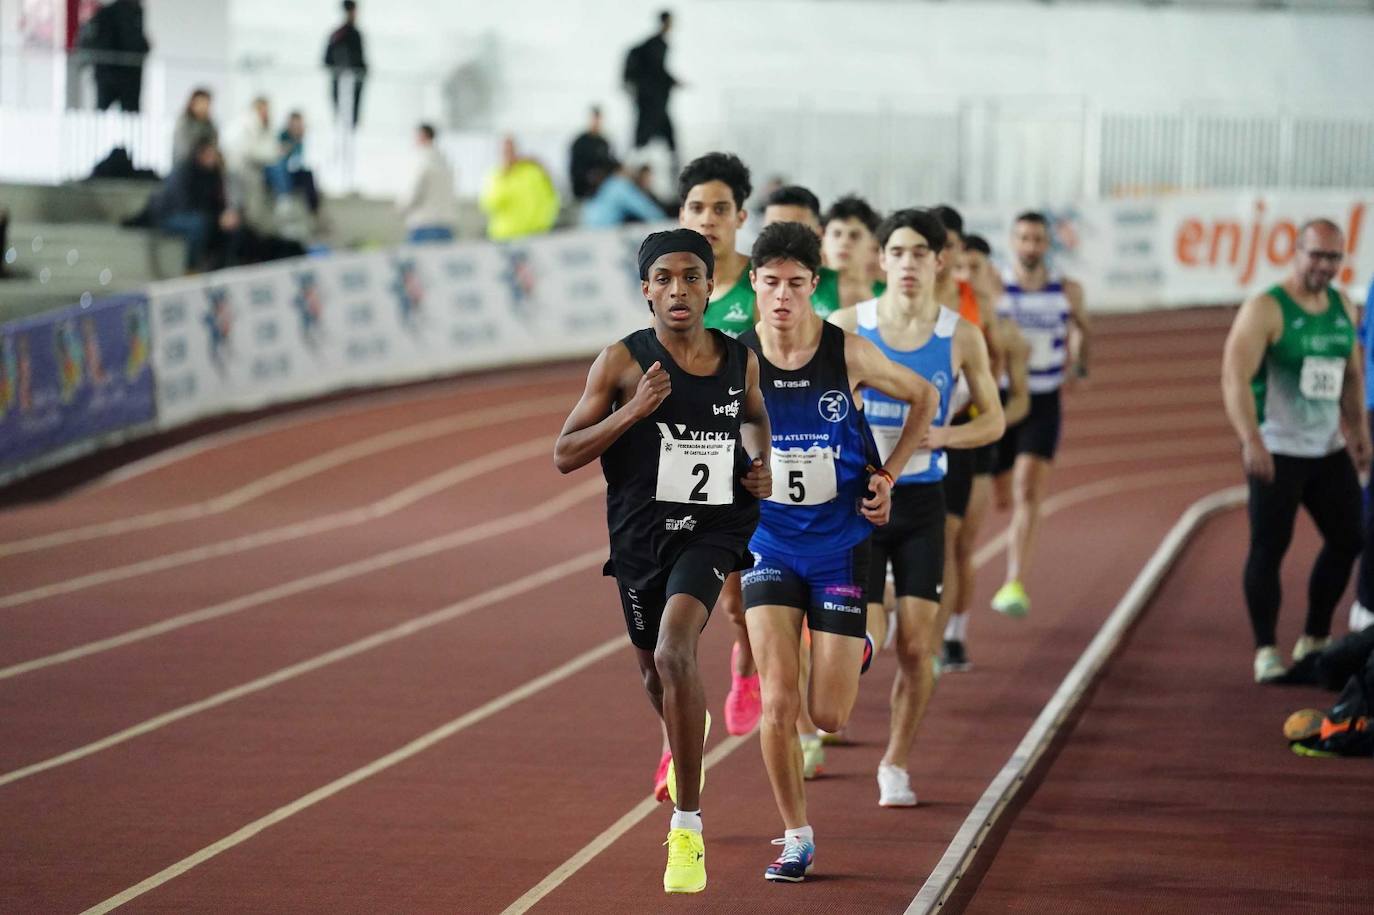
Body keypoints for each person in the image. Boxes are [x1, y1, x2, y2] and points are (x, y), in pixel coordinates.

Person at [554, 227, 772, 894]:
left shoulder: (740, 359)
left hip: (714, 528)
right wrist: (635, 412)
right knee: (655, 670)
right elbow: (565, 452)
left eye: (692, 277)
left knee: (679, 654)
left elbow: (756, 417)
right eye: (665, 279)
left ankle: (687, 826)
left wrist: (760, 464)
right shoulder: (622, 361)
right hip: (641, 535)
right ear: (646, 289)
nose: (679, 289)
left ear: (711, 285)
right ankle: (686, 716)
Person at [738, 222, 937, 881]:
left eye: (798, 283)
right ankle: (796, 834)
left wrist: (888, 476)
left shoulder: (845, 352)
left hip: (842, 547)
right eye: (772, 284)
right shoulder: (734, 360)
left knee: (828, 712)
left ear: (813, 287)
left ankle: (855, 648)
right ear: (755, 286)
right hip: (768, 544)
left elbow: (925, 396)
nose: (785, 296)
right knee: (777, 699)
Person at [830, 208, 1004, 807]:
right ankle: (857, 645)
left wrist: (945, 436)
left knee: (918, 646)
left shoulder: (960, 336)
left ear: (939, 262)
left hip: (922, 499)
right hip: (858, 499)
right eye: (896, 252)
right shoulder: (848, 325)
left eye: (919, 254)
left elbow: (995, 419)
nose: (907, 264)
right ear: (882, 261)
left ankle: (895, 763)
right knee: (869, 629)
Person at [1221, 219, 1369, 683]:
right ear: (1296, 252)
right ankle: (1266, 649)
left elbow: (1350, 373)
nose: (1324, 266)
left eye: (1333, 258)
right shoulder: (1266, 308)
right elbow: (1234, 377)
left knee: (1349, 538)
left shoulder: (1343, 305)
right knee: (1269, 547)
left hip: (1326, 450)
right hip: (1278, 449)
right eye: (1317, 255)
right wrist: (1251, 439)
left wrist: (1358, 429)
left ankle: (1315, 638)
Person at [676, 151, 762, 745]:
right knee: (673, 619)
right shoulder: (672, 280)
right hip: (683, 465)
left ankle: (747, 664)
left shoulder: (763, 286)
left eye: (721, 208)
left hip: (749, 466)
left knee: (735, 606)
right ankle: (674, 743)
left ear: (741, 215)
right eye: (697, 207)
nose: (709, 218)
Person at [989, 211, 1090, 619]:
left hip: (1043, 398)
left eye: (1037, 239)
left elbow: (1082, 327)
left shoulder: (1068, 291)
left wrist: (1079, 364)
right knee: (999, 497)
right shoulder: (994, 288)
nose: (1030, 246)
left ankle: (1015, 582)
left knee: (1028, 490)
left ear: (1048, 244)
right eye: (1024, 239)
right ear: (1012, 242)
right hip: (997, 400)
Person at [942, 233, 1030, 670]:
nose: (966, 276)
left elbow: (1016, 397)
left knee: (960, 544)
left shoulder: (995, 325)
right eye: (961, 268)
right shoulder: (932, 315)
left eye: (975, 268)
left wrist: (987, 417)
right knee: (935, 542)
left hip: (972, 441)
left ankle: (954, 635)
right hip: (933, 433)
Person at [154, 140, 240, 272]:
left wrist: (225, 215)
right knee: (198, 224)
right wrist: (217, 217)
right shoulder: (185, 172)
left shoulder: (214, 175)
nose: (213, 159)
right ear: (200, 155)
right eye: (210, 155)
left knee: (232, 227)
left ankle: (220, 268)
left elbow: (218, 202)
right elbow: (185, 204)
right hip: (171, 215)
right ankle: (191, 268)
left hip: (202, 215)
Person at [624, 10, 680, 172]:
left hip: (652, 102)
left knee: (661, 140)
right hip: (652, 102)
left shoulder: (654, 44)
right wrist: (672, 81)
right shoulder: (656, 45)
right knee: (646, 140)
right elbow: (657, 71)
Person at [815, 195, 886, 318]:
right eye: (837, 234)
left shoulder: (887, 294)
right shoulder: (808, 284)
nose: (844, 242)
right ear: (823, 239)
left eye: (854, 236)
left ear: (873, 242)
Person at [478, 136, 560, 241]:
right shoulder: (496, 175)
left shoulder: (532, 172)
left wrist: (544, 223)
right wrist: (504, 178)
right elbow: (489, 205)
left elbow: (551, 197)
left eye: (511, 150)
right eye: (505, 151)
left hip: (536, 234)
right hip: (505, 237)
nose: (509, 154)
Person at [82, 0, 151, 113]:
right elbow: (130, 41)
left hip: (118, 74)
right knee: (115, 112)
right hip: (120, 74)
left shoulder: (130, 12)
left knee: (118, 113)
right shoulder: (119, 13)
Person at [397, 123, 459, 243]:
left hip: (424, 226)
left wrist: (400, 208)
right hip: (446, 226)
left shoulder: (421, 162)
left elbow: (413, 192)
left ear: (422, 136)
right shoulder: (446, 164)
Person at [580, 158, 668, 228]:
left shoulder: (606, 186)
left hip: (589, 229)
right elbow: (647, 210)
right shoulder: (619, 185)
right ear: (620, 171)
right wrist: (667, 224)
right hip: (604, 232)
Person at [324, 0, 367, 127]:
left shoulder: (353, 34)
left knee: (350, 118)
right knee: (342, 116)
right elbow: (327, 59)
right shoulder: (339, 34)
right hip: (342, 80)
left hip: (352, 81)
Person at [569, 106, 613, 201]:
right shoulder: (580, 142)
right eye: (594, 119)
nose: (596, 122)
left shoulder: (604, 142)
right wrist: (589, 176)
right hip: (584, 189)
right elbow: (574, 168)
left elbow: (609, 162)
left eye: (598, 119)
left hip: (602, 188)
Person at [172, 88, 218, 165]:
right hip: (185, 166)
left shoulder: (210, 125)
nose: (204, 107)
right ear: (193, 104)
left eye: (207, 103)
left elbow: (214, 146)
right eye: (201, 103)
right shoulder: (184, 123)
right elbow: (184, 151)